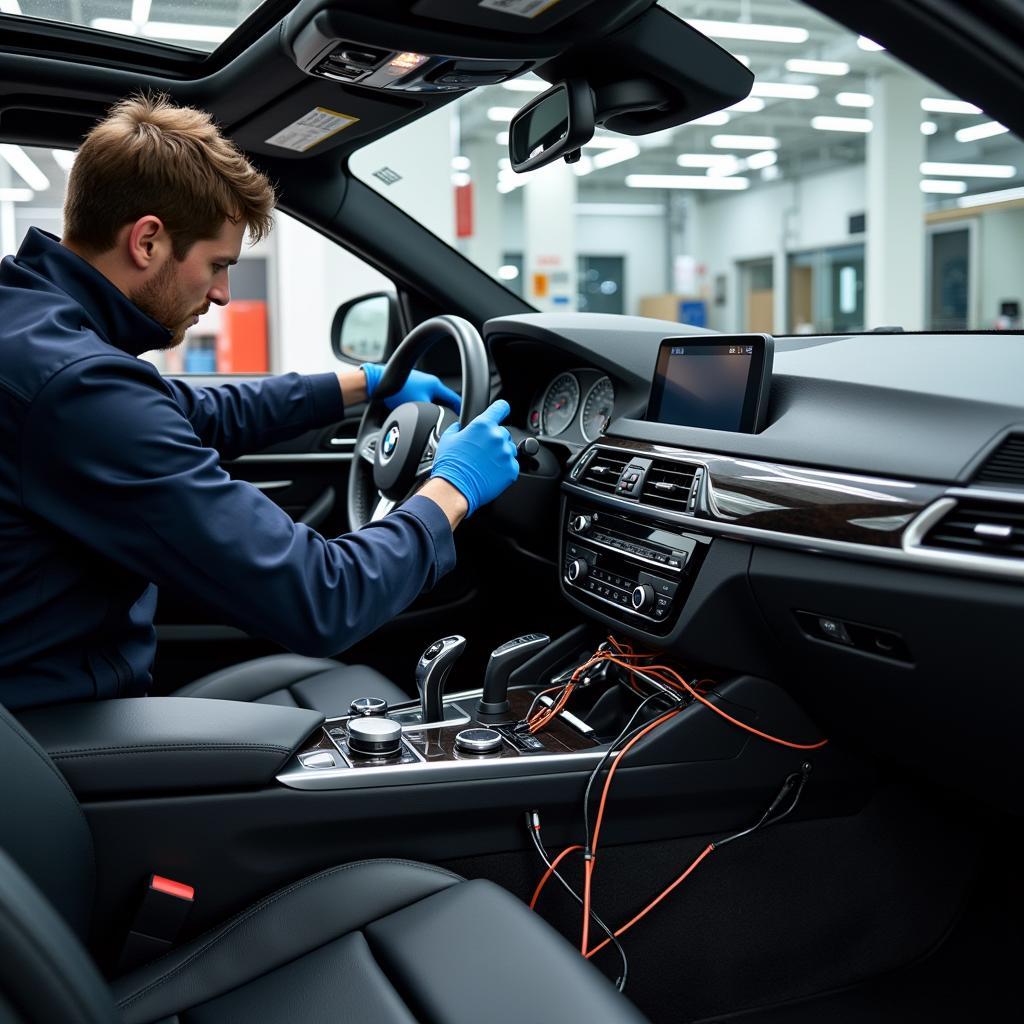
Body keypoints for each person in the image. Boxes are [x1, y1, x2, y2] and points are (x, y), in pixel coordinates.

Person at [0, 94, 519, 711]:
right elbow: (322, 599)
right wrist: (453, 487)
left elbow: (195, 414)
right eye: (218, 265)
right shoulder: (77, 386)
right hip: (53, 740)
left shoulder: (36, 331)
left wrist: (367, 383)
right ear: (147, 242)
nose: (222, 293)